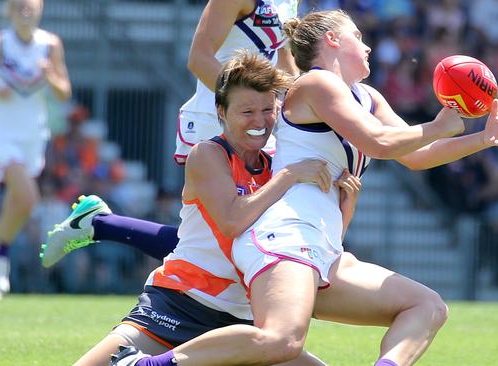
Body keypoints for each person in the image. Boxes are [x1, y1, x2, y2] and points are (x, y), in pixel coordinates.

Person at [110, 10, 498, 366]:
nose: (368, 45)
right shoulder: (317, 84)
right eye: (358, 36)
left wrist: (480, 138)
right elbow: (381, 144)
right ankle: (146, 365)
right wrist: (438, 126)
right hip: (285, 234)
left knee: (427, 306)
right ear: (333, 40)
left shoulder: (367, 97)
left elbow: (415, 155)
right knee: (281, 340)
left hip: (322, 243)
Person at [76, 51, 336, 366]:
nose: (259, 121)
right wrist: (289, 176)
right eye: (247, 111)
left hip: (242, 322)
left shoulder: (279, 163)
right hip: (178, 304)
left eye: (268, 109)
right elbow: (232, 221)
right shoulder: (208, 155)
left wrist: (345, 195)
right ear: (220, 112)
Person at [39, 0, 301, 268]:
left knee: (227, 240)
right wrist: (239, 107)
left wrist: (307, 117)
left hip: (254, 120)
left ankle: (100, 224)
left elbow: (284, 65)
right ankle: (100, 225)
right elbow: (199, 58)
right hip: (218, 120)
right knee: (219, 239)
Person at [0, 0, 71, 300]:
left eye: (31, 5)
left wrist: (50, 74)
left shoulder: (50, 45)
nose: (26, 10)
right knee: (27, 196)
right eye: (20, 5)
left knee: (20, 204)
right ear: (9, 10)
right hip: (2, 134)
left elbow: (64, 93)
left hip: (34, 136)